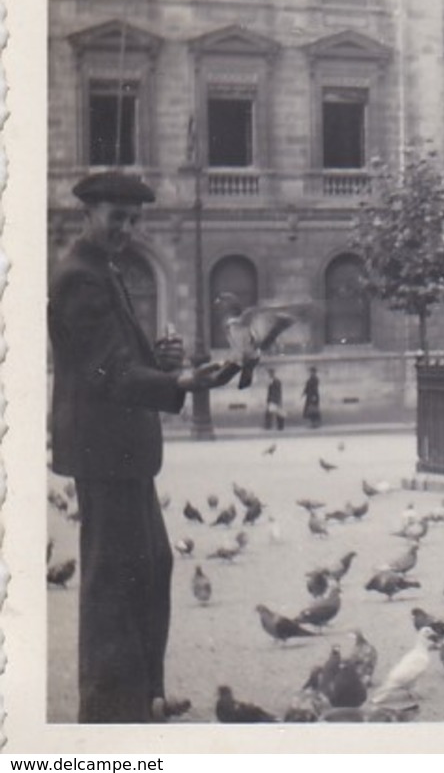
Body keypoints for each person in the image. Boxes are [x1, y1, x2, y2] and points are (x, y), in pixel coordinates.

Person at [49, 171, 241, 723]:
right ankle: (110, 710)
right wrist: (178, 384)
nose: (127, 229)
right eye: (117, 217)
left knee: (151, 564)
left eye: (134, 220)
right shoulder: (79, 277)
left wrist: (162, 361)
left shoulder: (103, 270)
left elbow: (117, 360)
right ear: (89, 213)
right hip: (104, 451)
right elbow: (105, 371)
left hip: (121, 449)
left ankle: (144, 696)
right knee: (113, 578)